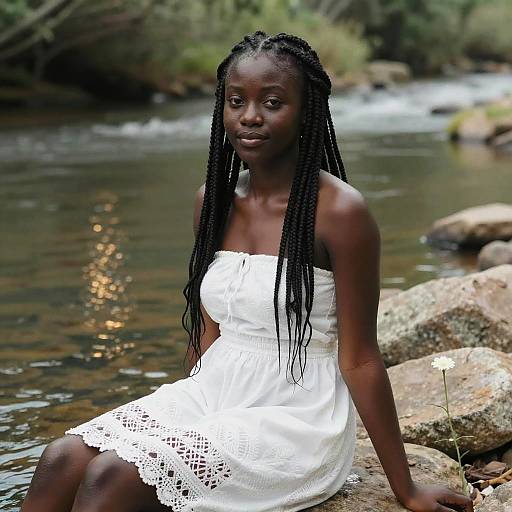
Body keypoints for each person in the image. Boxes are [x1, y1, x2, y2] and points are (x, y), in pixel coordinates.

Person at [21, 31, 474, 512]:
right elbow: (209, 327)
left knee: (112, 477)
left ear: (307, 111)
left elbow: (360, 358)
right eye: (236, 101)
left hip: (298, 415)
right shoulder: (212, 201)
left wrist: (406, 489)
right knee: (61, 459)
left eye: (273, 102)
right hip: (216, 392)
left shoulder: (341, 213)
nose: (250, 116)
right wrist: (184, 416)